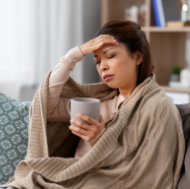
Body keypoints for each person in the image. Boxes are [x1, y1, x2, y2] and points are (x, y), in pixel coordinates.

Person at [0, 20, 185, 189]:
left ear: (137, 57)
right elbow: (45, 109)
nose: (102, 66)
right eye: (97, 61)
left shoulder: (158, 107)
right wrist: (73, 56)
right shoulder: (101, 101)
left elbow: (145, 172)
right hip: (72, 178)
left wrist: (99, 139)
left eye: (110, 56)